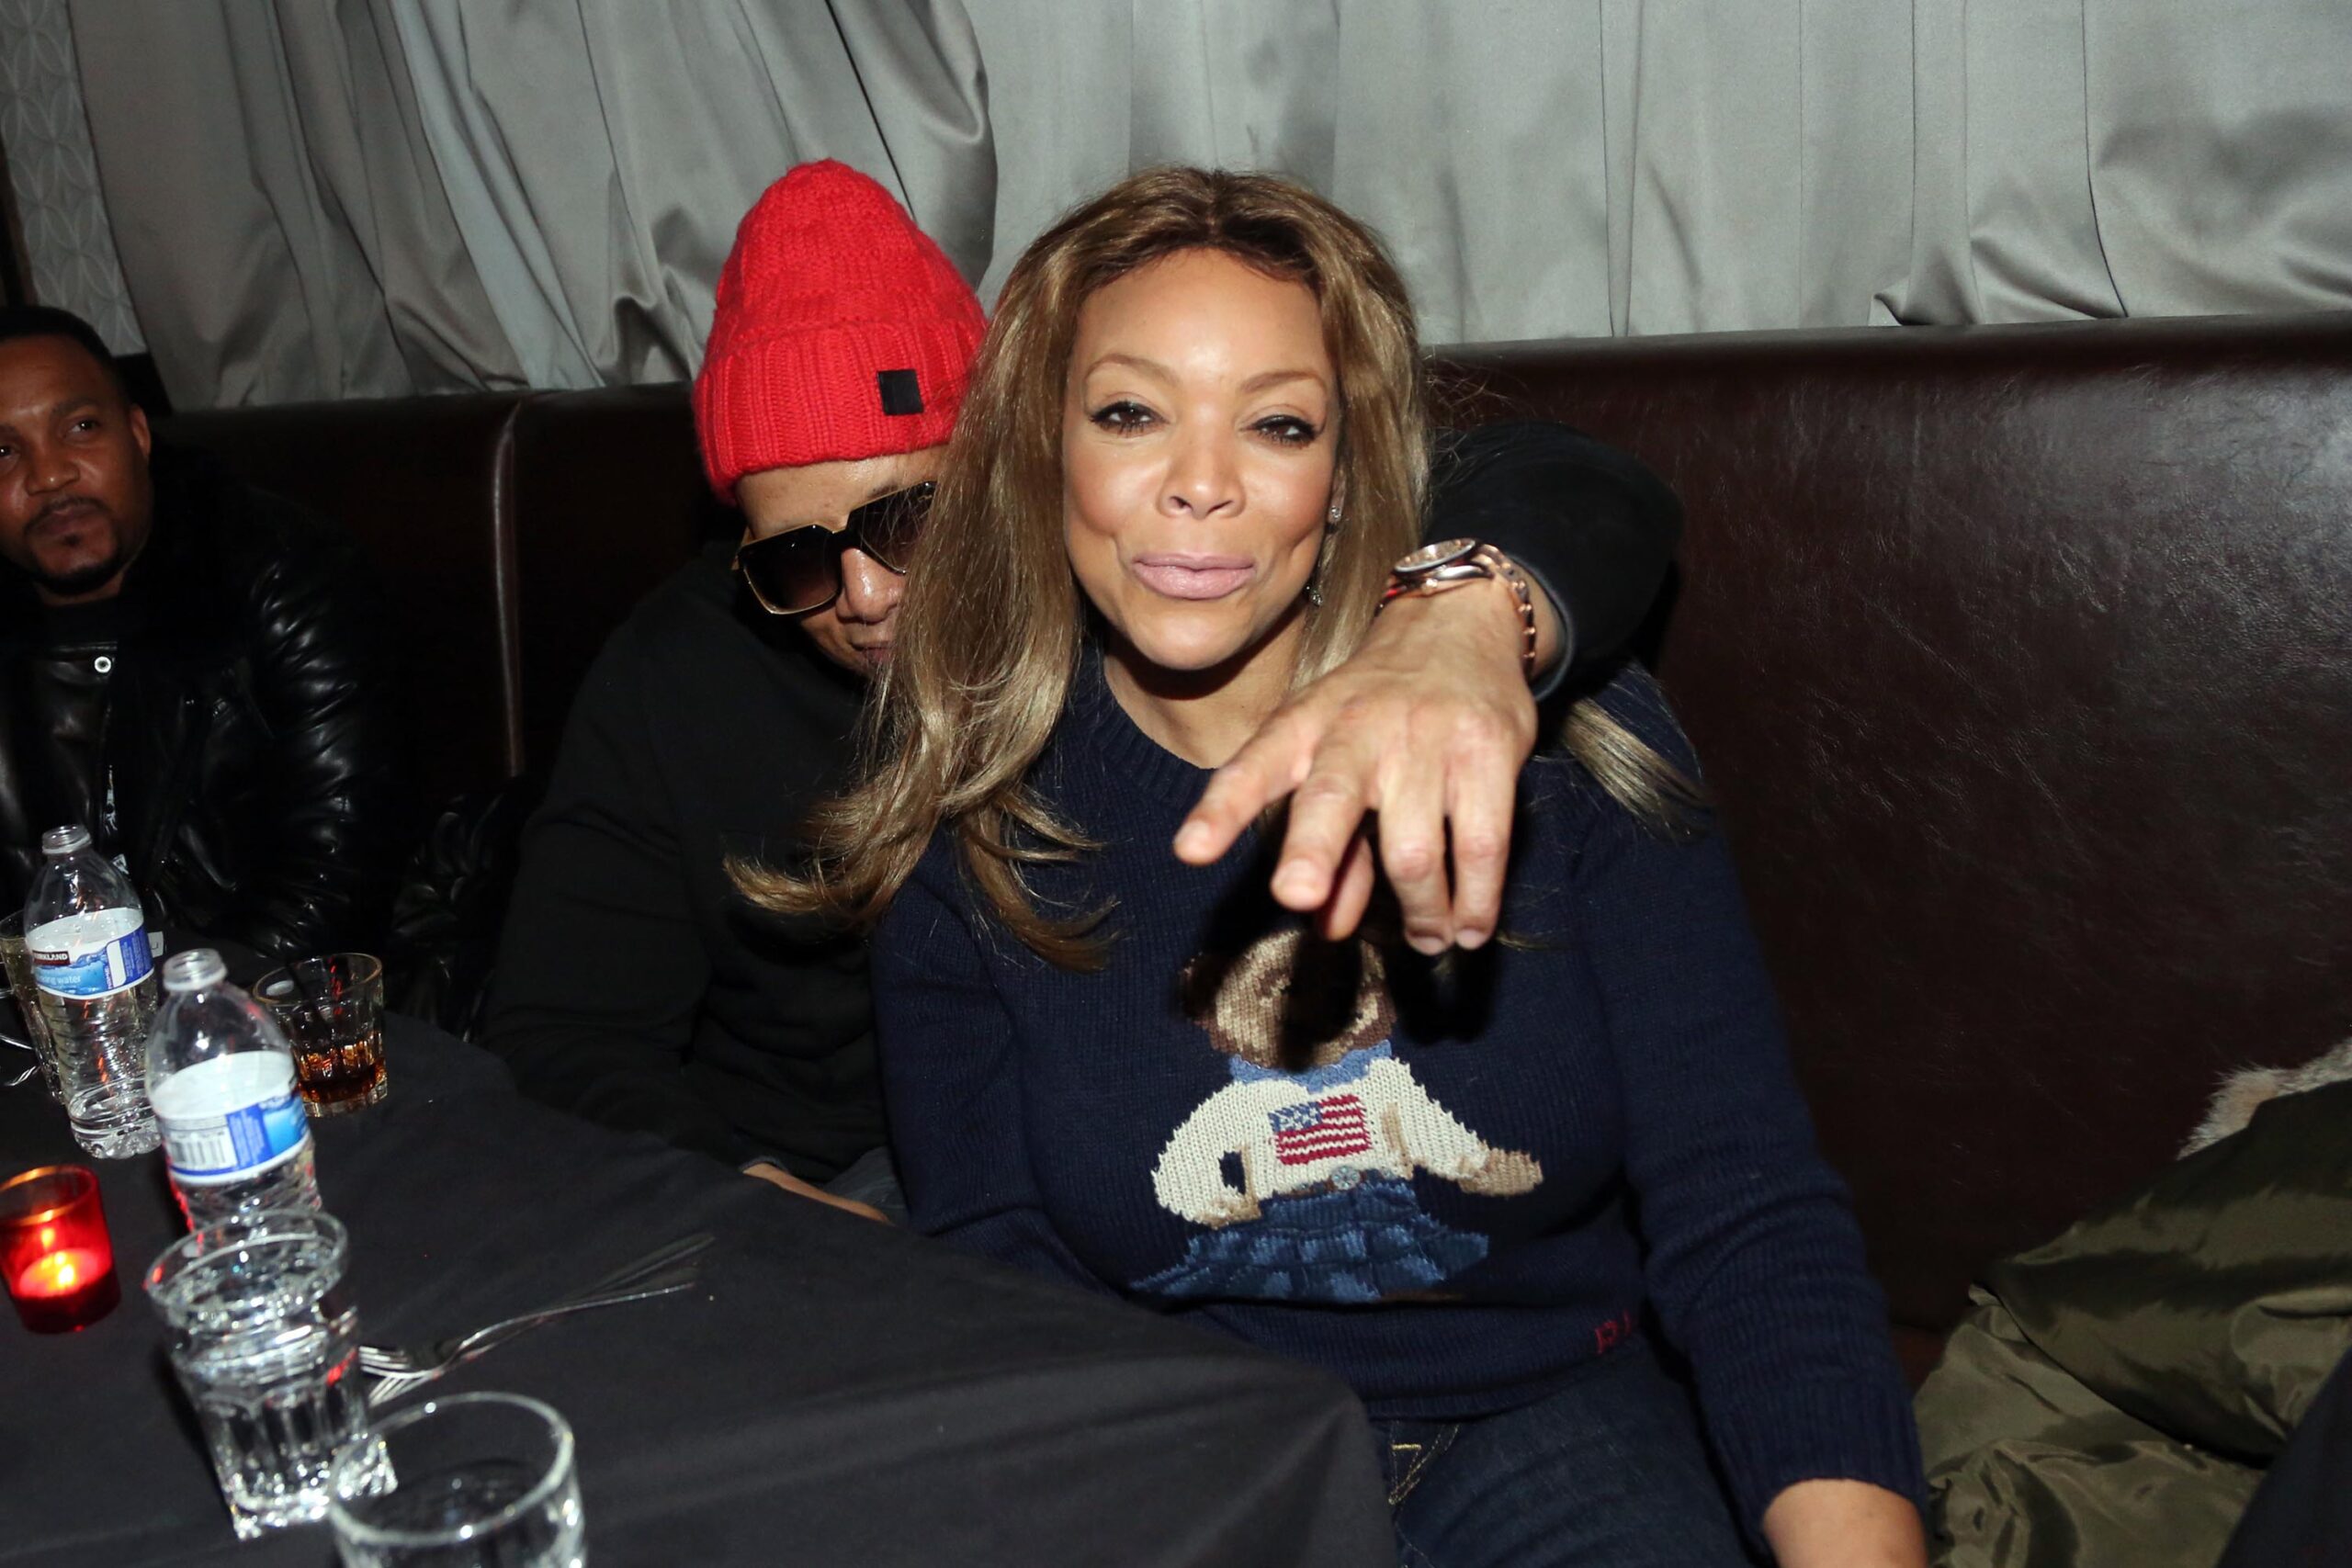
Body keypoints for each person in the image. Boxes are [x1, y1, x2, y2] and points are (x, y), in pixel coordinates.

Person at [755, 168, 1928, 1565]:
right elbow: (1006, 1265)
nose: (1201, 479)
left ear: (1351, 465)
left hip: (1551, 1414)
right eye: (1131, 412)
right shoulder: (978, 824)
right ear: (1039, 456)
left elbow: (1748, 1216)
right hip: (1192, 1435)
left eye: (1278, 421)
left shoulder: (1567, 754)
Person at [484, 161, 1683, 1223]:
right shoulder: (684, 665)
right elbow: (563, 1029)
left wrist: (1465, 619)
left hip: (1106, 1162)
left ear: (1021, 466)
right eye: (794, 553)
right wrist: (737, 1186)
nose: (861, 593)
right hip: (814, 1181)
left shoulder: (1150, 577)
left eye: (909, 516)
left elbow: (1564, 481)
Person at [0, 304, 404, 959]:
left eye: (79, 427)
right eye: (3, 450)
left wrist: (194, 1022)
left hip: (275, 1006)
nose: (49, 475)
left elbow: (337, 868)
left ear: (138, 434)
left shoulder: (278, 578)